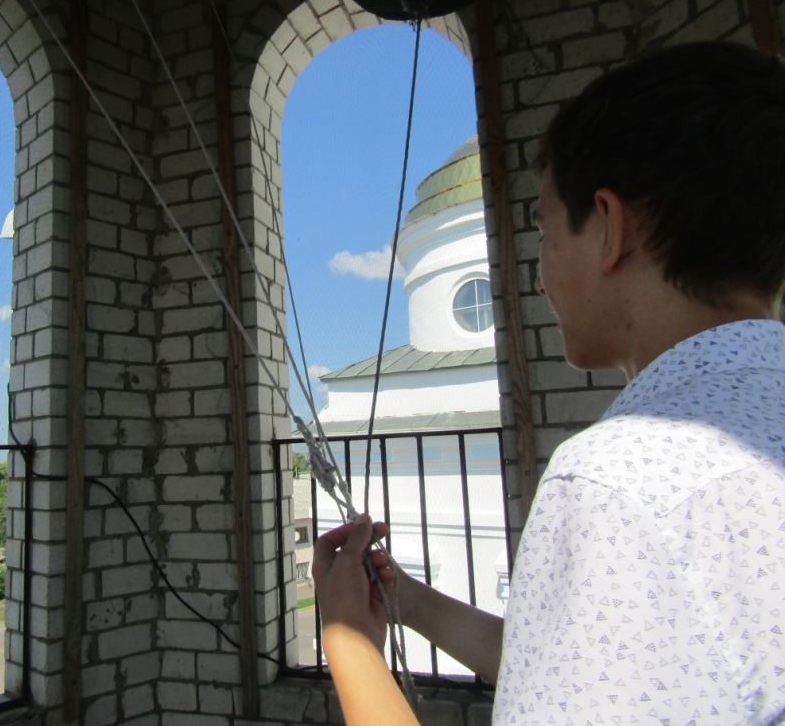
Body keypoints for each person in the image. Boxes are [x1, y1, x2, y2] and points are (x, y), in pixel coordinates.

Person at [312, 40, 785, 726]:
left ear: (611, 229)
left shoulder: (620, 479)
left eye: (546, 234)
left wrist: (348, 643)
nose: (538, 277)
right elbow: (589, 670)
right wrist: (407, 600)